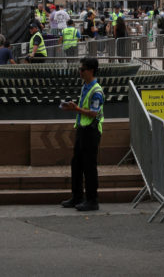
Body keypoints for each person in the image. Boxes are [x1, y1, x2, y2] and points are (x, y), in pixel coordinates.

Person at [59, 57, 104, 212]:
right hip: (82, 130)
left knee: (89, 167)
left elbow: (93, 113)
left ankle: (92, 200)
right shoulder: (85, 86)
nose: (80, 71)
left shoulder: (96, 91)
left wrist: (75, 109)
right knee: (76, 164)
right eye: (80, 69)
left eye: (82, 69)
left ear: (90, 70)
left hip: (91, 131)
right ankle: (77, 197)